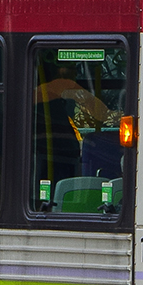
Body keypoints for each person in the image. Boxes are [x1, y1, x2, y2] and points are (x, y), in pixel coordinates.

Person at [33, 56, 112, 190]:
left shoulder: (43, 93)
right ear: (61, 70)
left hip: (53, 156)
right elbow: (101, 112)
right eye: (73, 69)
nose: (75, 73)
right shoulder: (59, 86)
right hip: (55, 157)